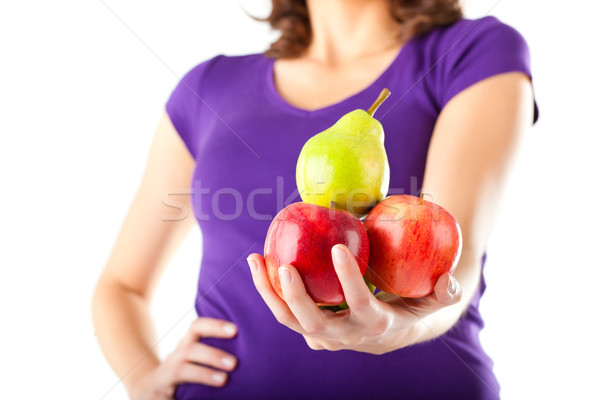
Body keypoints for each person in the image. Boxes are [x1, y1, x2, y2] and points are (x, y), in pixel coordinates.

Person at [92, 0, 538, 399]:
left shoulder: (470, 51)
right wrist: (143, 379)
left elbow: (453, 267)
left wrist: (402, 327)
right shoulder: (207, 87)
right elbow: (121, 286)